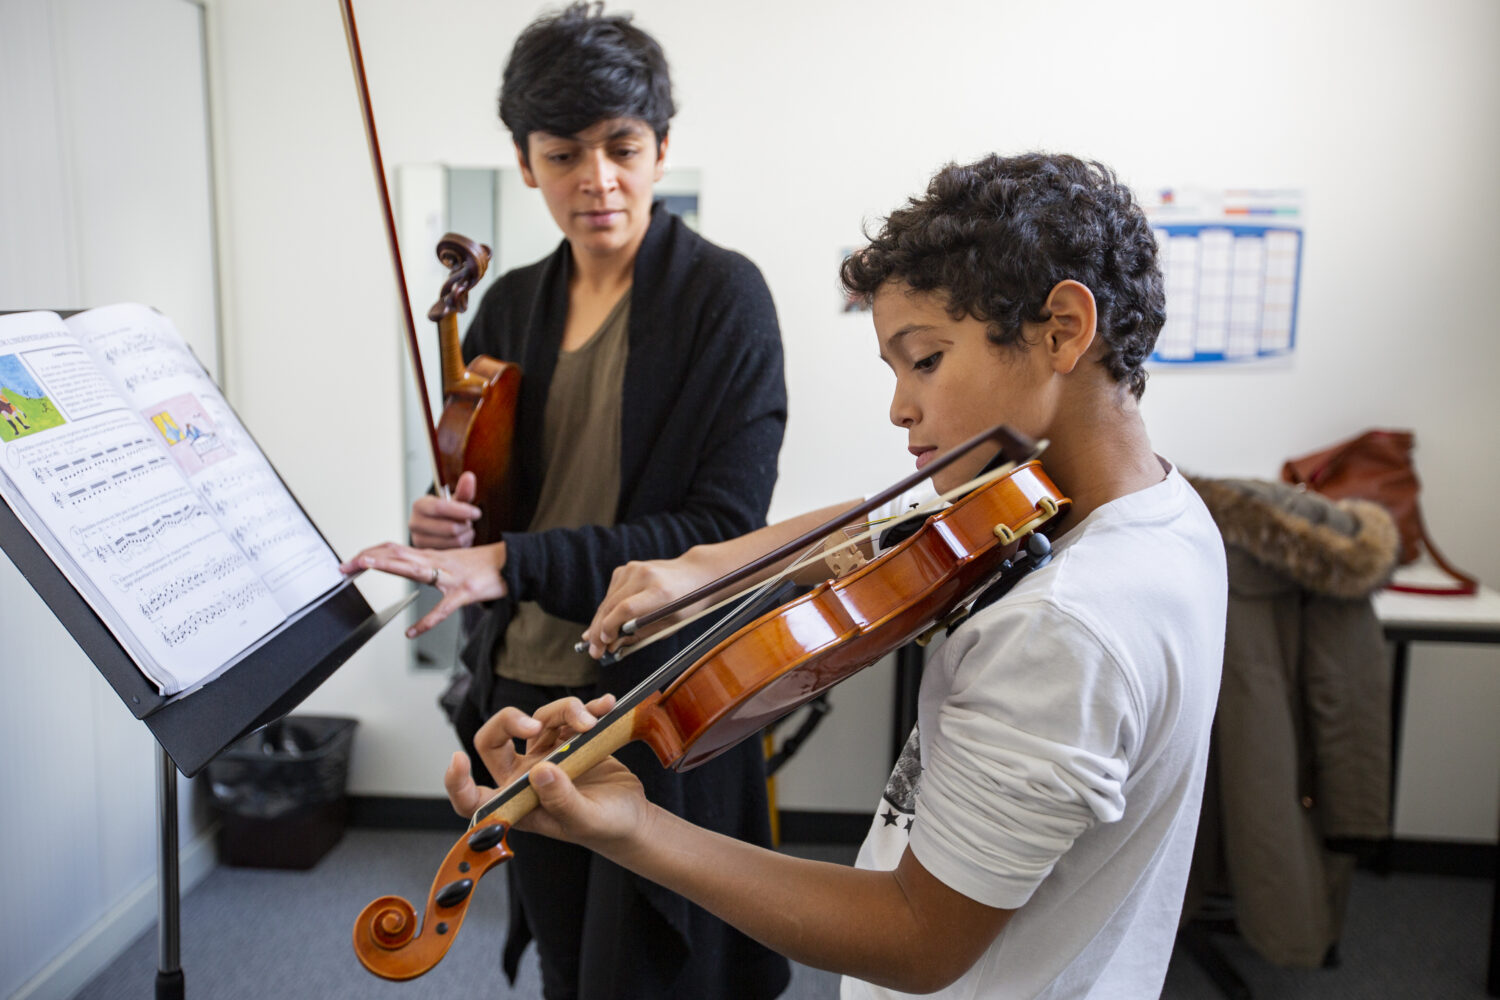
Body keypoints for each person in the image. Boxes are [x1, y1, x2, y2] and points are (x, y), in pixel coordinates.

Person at [349, 151, 1229, 998]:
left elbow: (918, 937)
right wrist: (707, 565)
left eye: (924, 359)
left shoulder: (1061, 628)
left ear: (1062, 329)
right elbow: (884, 518)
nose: (900, 407)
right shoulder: (1156, 512)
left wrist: (640, 827)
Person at [348, 5, 790, 999]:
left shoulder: (725, 299)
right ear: (526, 164)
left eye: (623, 148)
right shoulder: (508, 307)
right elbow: (502, 501)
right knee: (564, 956)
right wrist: (452, 524)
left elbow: (721, 532)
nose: (598, 180)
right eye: (565, 154)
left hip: (658, 701)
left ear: (662, 147)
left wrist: (507, 560)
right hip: (521, 695)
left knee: (664, 963)